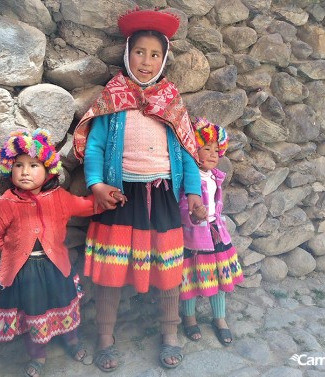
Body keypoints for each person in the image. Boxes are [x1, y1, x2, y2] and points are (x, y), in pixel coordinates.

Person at [72, 7, 205, 372]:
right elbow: (96, 146)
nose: (146, 61)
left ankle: (170, 334)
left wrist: (193, 193)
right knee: (110, 271)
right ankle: (105, 338)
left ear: (164, 60)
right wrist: (97, 185)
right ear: (127, 54)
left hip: (162, 197)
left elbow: (187, 151)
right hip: (119, 197)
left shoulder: (172, 102)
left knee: (168, 270)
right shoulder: (113, 99)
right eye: (139, 52)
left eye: (155, 54)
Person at [0, 129, 124, 377]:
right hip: (25, 274)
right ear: (9, 169)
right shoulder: (6, 203)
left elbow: (85, 205)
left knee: (64, 305)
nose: (25, 171)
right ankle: (38, 355)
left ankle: (72, 341)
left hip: (56, 268)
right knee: (33, 312)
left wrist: (107, 196)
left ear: (48, 170)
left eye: (33, 165)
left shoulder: (59, 198)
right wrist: (10, 252)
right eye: (18, 165)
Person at [179, 118, 244, 346]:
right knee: (189, 278)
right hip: (193, 237)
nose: (213, 154)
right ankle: (189, 318)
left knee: (219, 275)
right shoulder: (188, 178)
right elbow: (182, 205)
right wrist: (193, 215)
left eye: (216, 150)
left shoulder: (216, 176)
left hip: (216, 235)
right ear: (193, 150)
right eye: (206, 148)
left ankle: (220, 319)